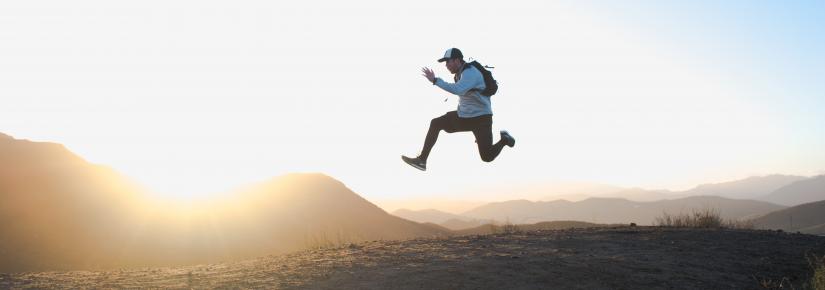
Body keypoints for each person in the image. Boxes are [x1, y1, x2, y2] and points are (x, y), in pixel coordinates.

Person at [402, 48, 515, 171]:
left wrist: (435, 81)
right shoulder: (459, 74)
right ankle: (422, 160)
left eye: (448, 61)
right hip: (464, 117)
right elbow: (464, 97)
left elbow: (458, 90)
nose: (446, 65)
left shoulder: (470, 72)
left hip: (481, 119)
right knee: (436, 123)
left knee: (487, 157)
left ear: (457, 60)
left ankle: (504, 140)